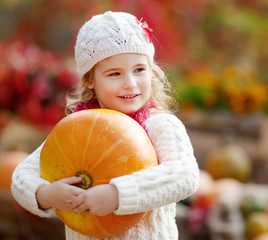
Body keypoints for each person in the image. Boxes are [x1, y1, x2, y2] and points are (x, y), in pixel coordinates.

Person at [11, 11, 199, 240]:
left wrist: (117, 194)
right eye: (114, 74)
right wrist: (45, 194)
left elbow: (184, 175)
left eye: (139, 70)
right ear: (90, 80)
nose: (130, 84)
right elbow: (22, 176)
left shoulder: (159, 125)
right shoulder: (76, 131)